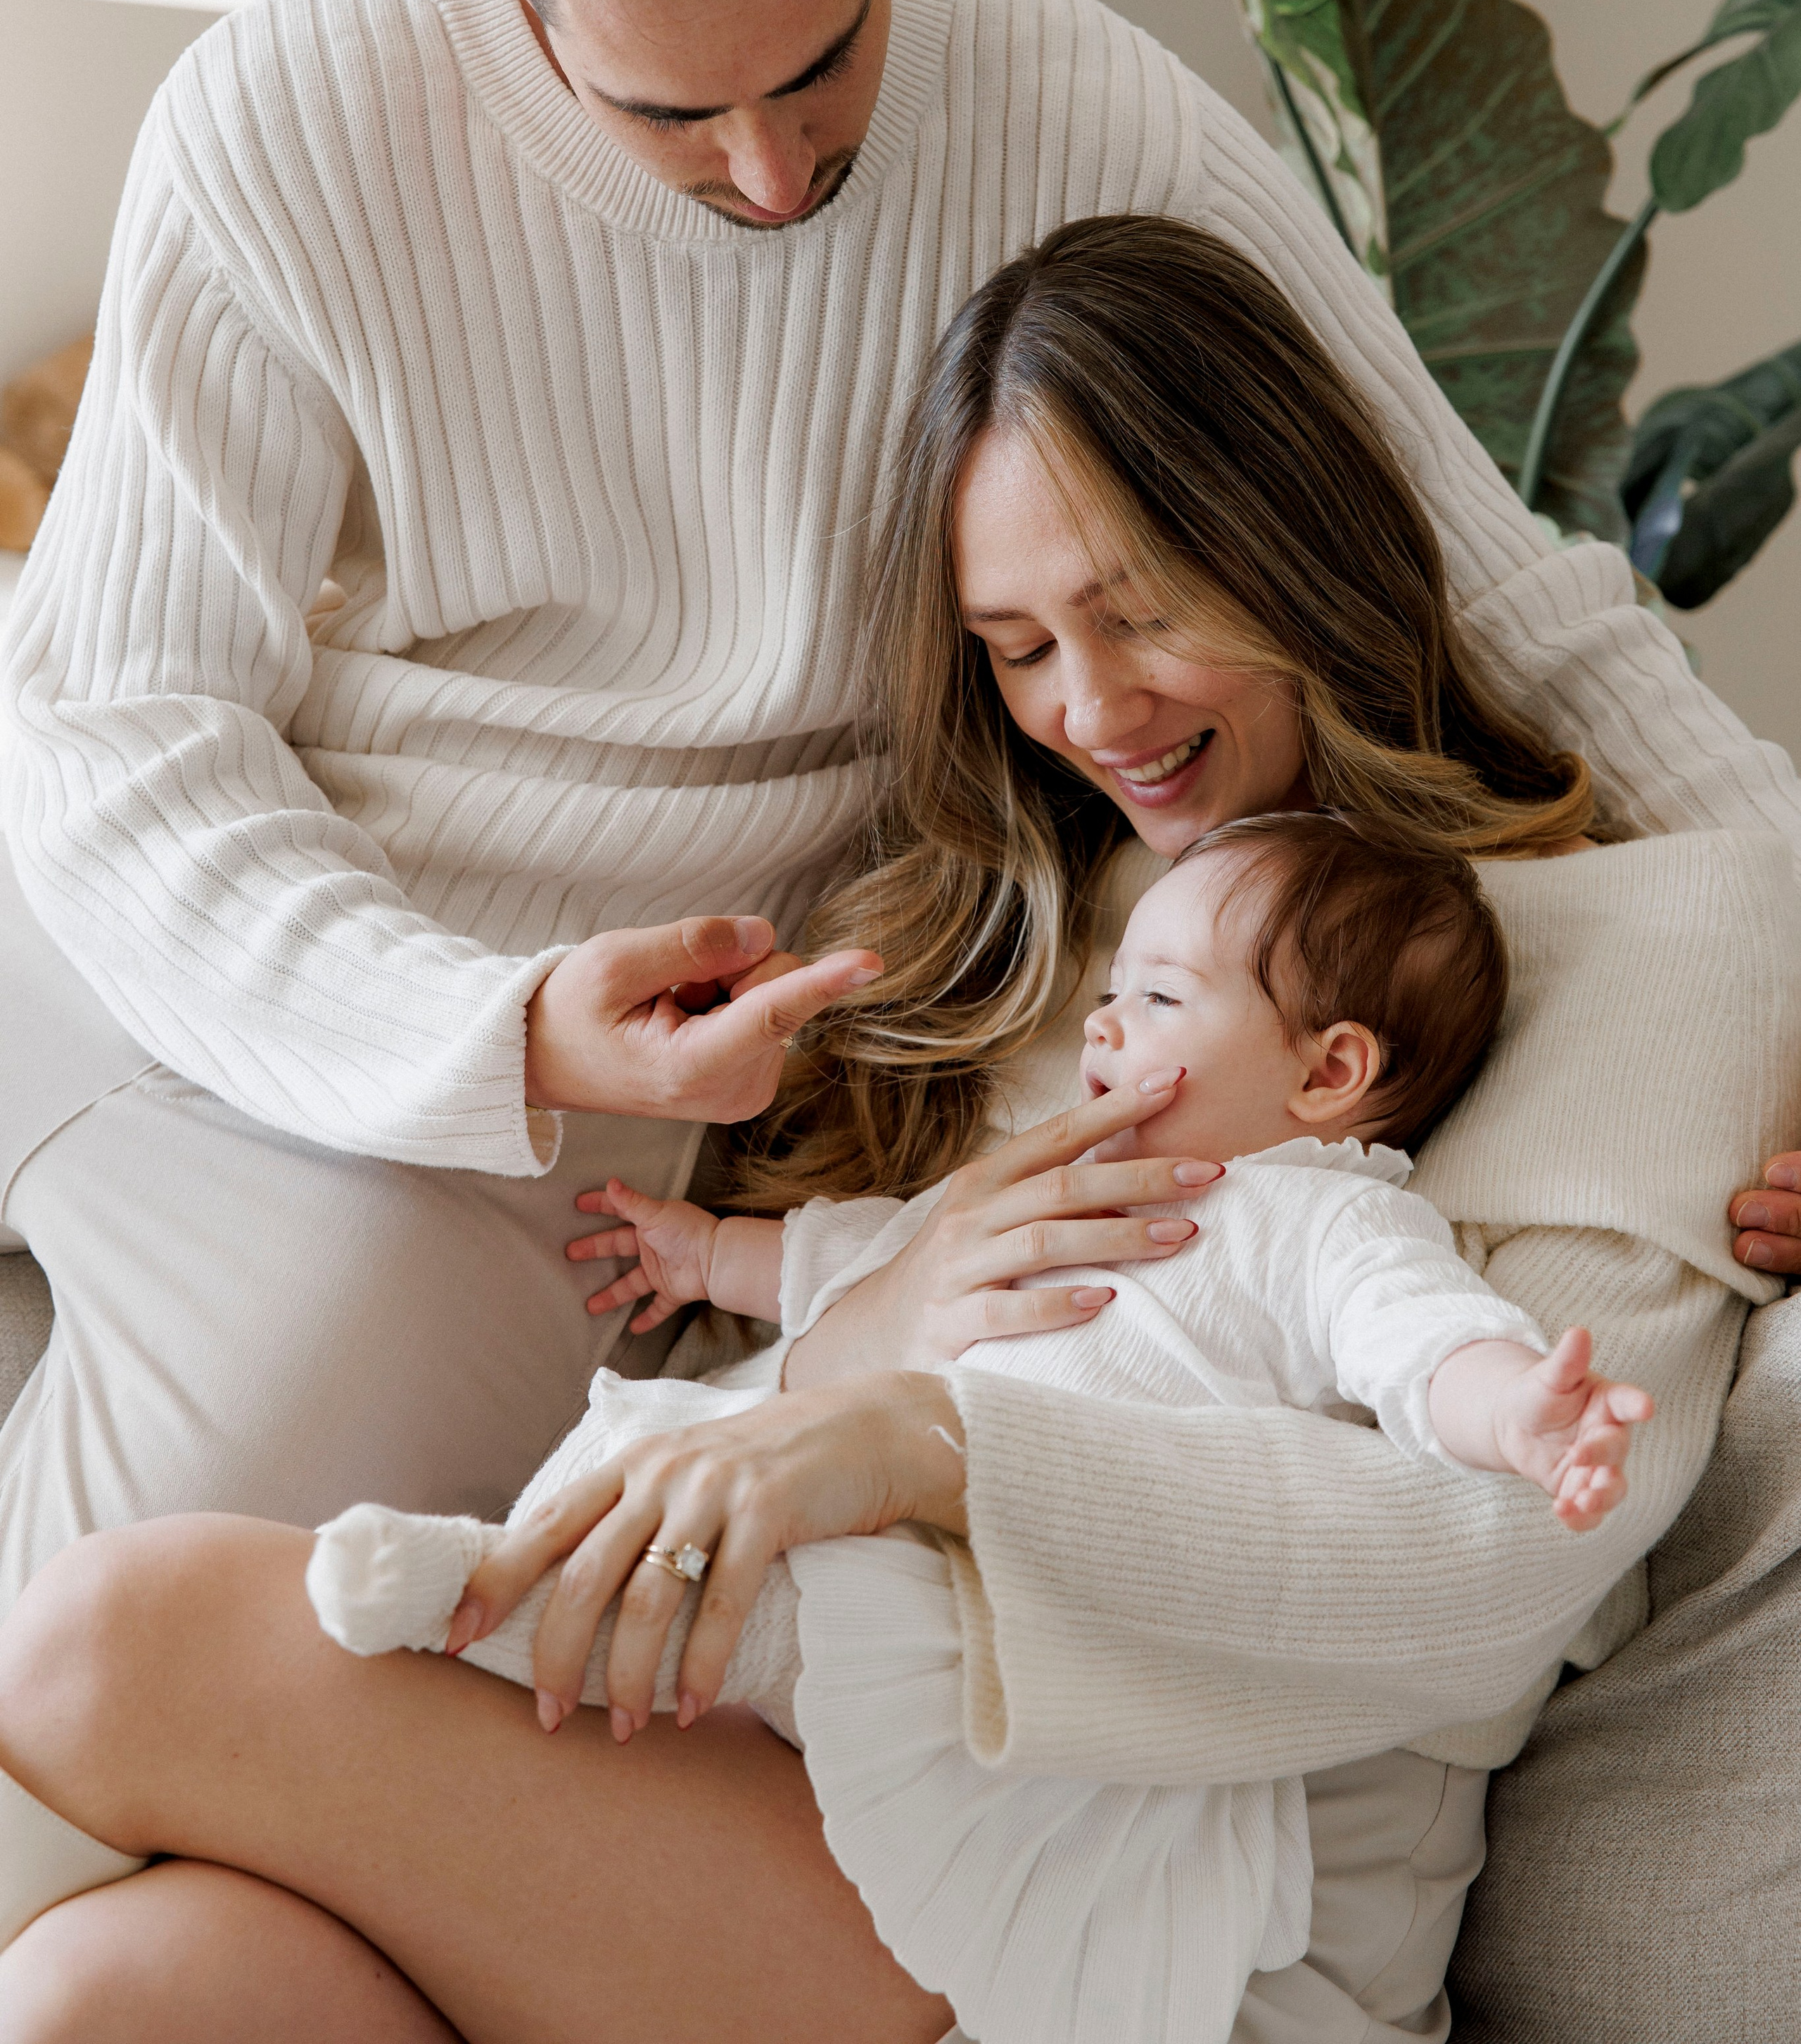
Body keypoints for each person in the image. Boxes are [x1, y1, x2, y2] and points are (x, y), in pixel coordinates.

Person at [0, 217, 1783, 2044]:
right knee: (113, 1991)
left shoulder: (1657, 950)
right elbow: (783, 1432)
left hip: (1159, 1931)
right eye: (1017, 646)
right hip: (816, 1776)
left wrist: (928, 1444)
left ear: (1294, 551)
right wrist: (868, 1338)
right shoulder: (995, 951)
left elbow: (1510, 1562)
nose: (1090, 710)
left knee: (109, 1645)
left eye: (1141, 613)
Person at [294, 815, 1653, 2044]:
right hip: (872, 1527)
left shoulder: (1323, 1219)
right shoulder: (1060, 1171)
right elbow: (870, 1259)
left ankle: (487, 1598)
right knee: (702, 1517)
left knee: (781, 1596)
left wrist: (1518, 1411)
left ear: (1329, 1070)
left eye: (1160, 999)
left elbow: (1419, 1341)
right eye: (1111, 992)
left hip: (1000, 1598)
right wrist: (710, 1260)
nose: (1105, 1027)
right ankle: (509, 1593)